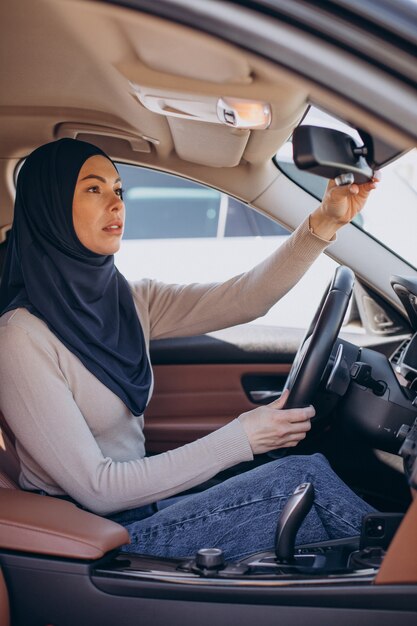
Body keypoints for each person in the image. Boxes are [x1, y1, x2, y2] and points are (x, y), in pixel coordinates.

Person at [0, 138, 378, 561]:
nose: (116, 203)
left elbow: (245, 298)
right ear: (49, 207)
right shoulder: (21, 337)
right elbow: (98, 489)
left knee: (307, 476)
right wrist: (242, 436)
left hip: (135, 510)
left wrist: (324, 223)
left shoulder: (127, 301)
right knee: (302, 478)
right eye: (94, 189)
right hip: (94, 541)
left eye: (119, 189)